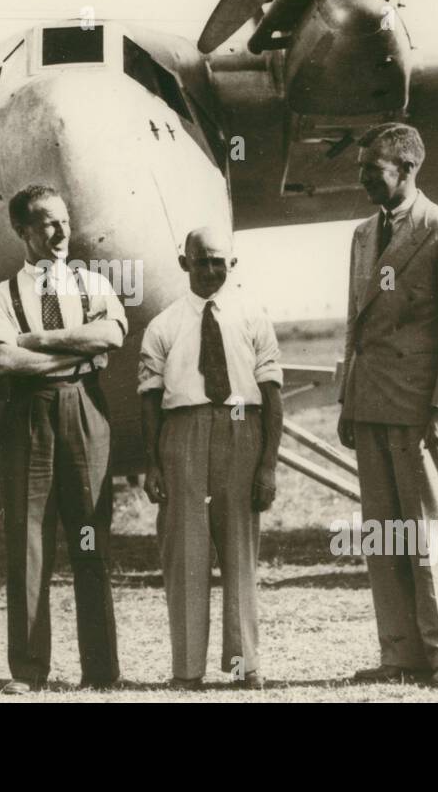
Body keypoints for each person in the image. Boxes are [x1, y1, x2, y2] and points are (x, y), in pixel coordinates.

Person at [337, 122, 438, 690]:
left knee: (430, 533)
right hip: (371, 403)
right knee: (384, 535)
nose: (362, 181)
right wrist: (349, 400)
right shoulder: (360, 235)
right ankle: (400, 654)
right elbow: (355, 325)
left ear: (407, 169)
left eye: (372, 171)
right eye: (361, 170)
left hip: (421, 410)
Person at [0, 184, 127, 694]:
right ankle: (28, 670)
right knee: (28, 541)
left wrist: (36, 341)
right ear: (22, 230)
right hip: (28, 417)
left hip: (85, 409)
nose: (60, 232)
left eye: (64, 221)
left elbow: (111, 337)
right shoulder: (1, 295)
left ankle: (102, 671)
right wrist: (76, 351)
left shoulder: (92, 283)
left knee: (91, 537)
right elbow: (1, 359)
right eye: (45, 222)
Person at [138, 227, 283, 690]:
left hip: (242, 428)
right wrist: (154, 463)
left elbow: (271, 394)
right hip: (182, 431)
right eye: (200, 261)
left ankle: (245, 665)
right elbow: (148, 400)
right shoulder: (163, 325)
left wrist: (268, 464)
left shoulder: (254, 317)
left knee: (239, 551)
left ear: (232, 264)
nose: (210, 270)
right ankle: (186, 670)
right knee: (185, 552)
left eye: (218, 261)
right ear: (184, 264)